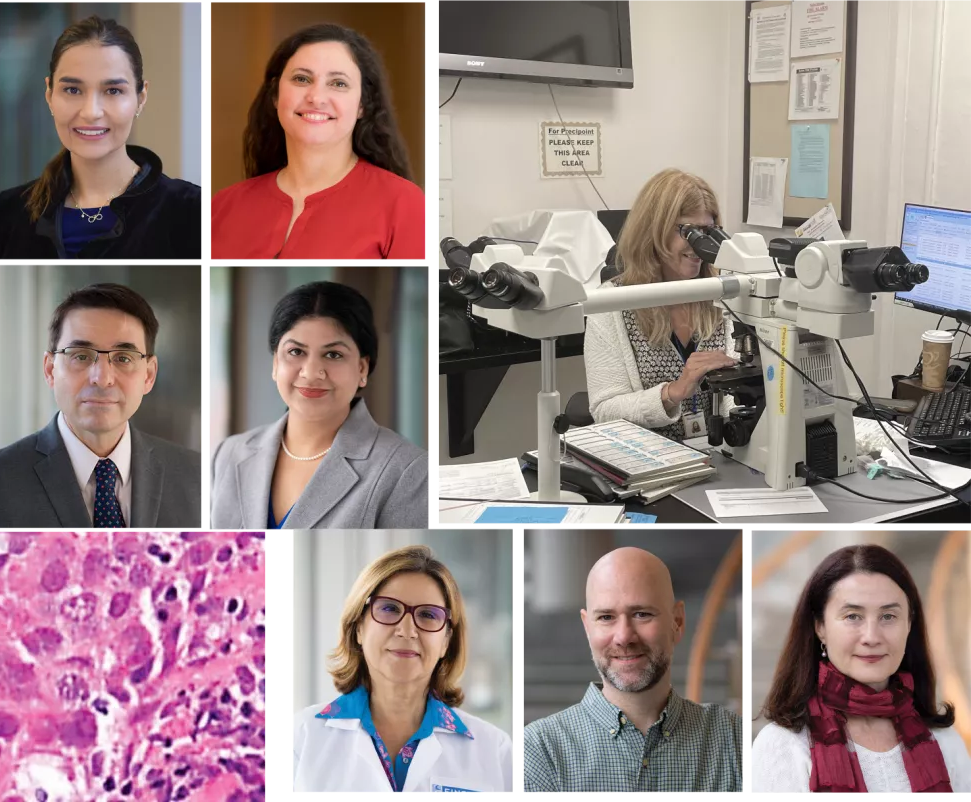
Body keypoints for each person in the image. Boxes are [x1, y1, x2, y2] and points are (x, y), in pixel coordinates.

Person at [291, 545, 513, 793]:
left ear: (446, 641)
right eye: (389, 609)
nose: (407, 630)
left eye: (428, 614)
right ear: (359, 628)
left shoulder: (496, 751)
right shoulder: (300, 737)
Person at [751, 544, 970, 793]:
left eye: (888, 616)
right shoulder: (783, 745)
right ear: (820, 626)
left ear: (909, 624)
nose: (871, 636)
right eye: (853, 616)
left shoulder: (944, 740)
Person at [523, 547, 743, 792]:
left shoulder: (732, 739)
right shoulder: (540, 750)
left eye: (641, 614)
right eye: (606, 617)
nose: (624, 637)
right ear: (587, 628)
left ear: (677, 622)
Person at [210, 281, 426, 529]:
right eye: (296, 352)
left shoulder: (407, 471)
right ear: (275, 364)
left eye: (333, 355)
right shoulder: (227, 454)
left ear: (362, 368)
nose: (311, 373)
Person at [0, 15, 202, 261]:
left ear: (141, 98)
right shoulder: (9, 211)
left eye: (113, 91)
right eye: (73, 90)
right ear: (49, 94)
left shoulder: (190, 211)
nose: (91, 112)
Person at [0, 283, 201, 528]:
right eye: (81, 356)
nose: (102, 378)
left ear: (149, 375)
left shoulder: (197, 477)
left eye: (123, 358)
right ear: (50, 370)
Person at [209, 23, 424, 260]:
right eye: (301, 79)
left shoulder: (405, 205)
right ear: (275, 95)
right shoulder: (223, 205)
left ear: (362, 105)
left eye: (338, 83)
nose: (316, 97)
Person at [584, 169, 739, 440]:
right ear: (653, 231)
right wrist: (673, 392)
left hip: (720, 455)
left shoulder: (725, 295)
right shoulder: (613, 304)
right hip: (648, 460)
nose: (700, 245)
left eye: (709, 231)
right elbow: (604, 410)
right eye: (689, 232)